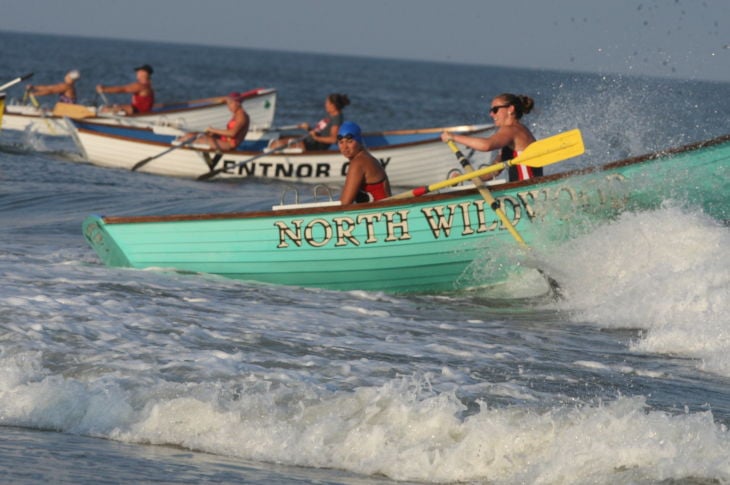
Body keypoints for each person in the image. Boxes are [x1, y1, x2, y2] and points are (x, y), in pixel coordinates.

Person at [441, 93, 541, 182]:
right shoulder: (517, 131)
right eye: (491, 110)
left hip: (526, 189)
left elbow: (486, 145)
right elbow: (494, 171)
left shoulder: (512, 130)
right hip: (525, 189)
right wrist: (465, 177)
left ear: (510, 109)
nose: (491, 114)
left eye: (495, 110)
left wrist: (454, 137)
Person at [270, 93, 350, 151]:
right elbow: (318, 132)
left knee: (277, 144)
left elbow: (333, 139)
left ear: (333, 105)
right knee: (274, 143)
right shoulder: (330, 116)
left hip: (313, 146)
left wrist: (316, 138)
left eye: (327, 103)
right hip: (309, 141)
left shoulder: (336, 119)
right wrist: (308, 128)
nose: (325, 105)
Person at [337, 121, 391, 204]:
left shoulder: (358, 163)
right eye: (341, 142)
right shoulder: (367, 157)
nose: (345, 147)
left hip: (382, 212)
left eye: (349, 141)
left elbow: (344, 204)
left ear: (359, 142)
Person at [176, 92, 249, 150]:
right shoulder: (237, 113)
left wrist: (213, 130)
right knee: (192, 134)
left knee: (191, 138)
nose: (228, 106)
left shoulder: (241, 117)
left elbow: (232, 133)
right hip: (223, 140)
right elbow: (225, 99)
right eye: (227, 104)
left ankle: (178, 148)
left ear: (238, 103)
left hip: (228, 145)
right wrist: (214, 133)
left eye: (230, 104)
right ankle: (180, 144)